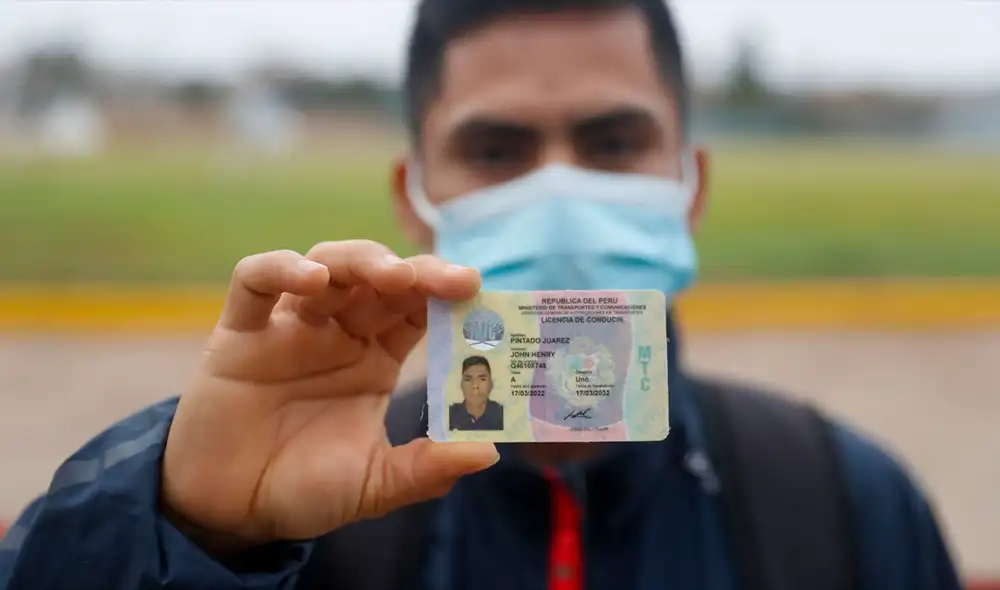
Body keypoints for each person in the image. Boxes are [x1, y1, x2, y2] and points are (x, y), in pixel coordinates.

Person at [0, 1, 962, 589]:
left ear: (690, 185)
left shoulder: (843, 503)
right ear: (414, 200)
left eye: (613, 143)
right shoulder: (309, 511)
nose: (558, 188)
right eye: (495, 151)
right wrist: (190, 527)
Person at [449, 356, 504, 431]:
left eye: (482, 379)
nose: (475, 385)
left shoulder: (502, 415)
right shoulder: (449, 415)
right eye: (468, 379)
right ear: (461, 385)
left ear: (491, 384)